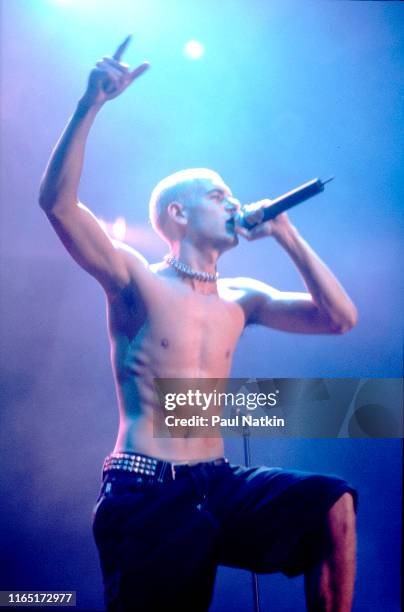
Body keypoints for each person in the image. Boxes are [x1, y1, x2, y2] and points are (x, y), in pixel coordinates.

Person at [39, 36, 358, 612]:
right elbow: (59, 206)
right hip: (148, 488)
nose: (235, 204)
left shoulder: (245, 297)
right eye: (219, 195)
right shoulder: (136, 276)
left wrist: (288, 235)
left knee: (330, 502)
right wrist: (90, 104)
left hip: (218, 481)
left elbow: (340, 320)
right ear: (178, 214)